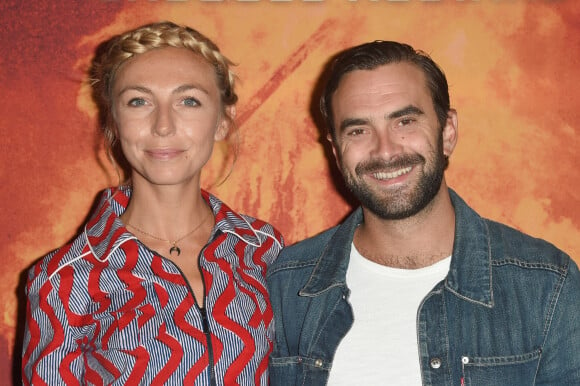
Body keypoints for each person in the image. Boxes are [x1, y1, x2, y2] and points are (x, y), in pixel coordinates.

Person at [267, 41, 580, 385]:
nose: (385, 151)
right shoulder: (286, 284)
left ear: (448, 132)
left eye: (404, 121)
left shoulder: (546, 285)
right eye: (358, 130)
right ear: (337, 152)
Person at [22, 21, 283, 385]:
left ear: (223, 121)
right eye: (139, 101)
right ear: (113, 121)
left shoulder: (265, 251)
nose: (163, 125)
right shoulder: (64, 280)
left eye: (188, 100)